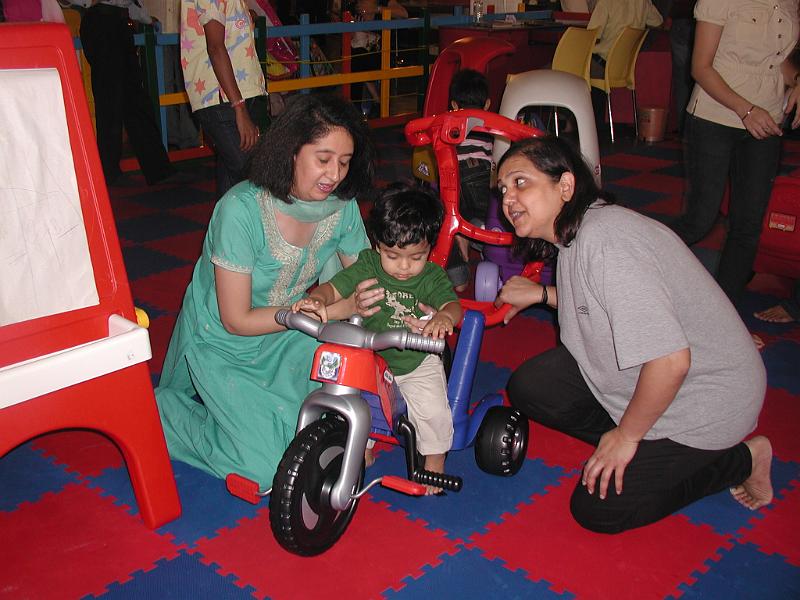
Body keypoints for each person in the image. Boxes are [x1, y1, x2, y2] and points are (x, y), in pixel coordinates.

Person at [493, 135, 772, 534]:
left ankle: (742, 459)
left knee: (599, 509)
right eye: (503, 189)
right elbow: (605, 299)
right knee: (533, 387)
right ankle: (642, 435)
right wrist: (542, 294)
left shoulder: (607, 241)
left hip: (707, 396)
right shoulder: (579, 232)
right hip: (654, 373)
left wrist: (626, 435)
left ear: (566, 185)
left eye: (520, 182)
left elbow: (671, 361)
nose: (508, 198)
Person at [155, 94, 375, 487]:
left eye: (344, 162)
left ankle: (248, 418)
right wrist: (328, 311)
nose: (335, 175)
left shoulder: (340, 206)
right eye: (323, 159)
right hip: (224, 344)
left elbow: (366, 277)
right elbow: (236, 320)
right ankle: (158, 412)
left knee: (322, 421)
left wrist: (413, 296)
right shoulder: (241, 210)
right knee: (264, 470)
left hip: (290, 332)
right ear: (292, 152)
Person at [292, 185, 462, 494]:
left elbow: (452, 306)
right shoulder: (369, 265)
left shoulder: (431, 277)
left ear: (429, 250)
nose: (404, 267)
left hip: (415, 363)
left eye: (416, 257)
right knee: (358, 399)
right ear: (377, 245)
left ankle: (435, 462)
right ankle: (362, 445)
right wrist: (318, 299)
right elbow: (336, 287)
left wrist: (444, 317)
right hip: (374, 360)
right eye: (392, 255)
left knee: (432, 410)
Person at [670, 0, 800, 302]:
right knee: (700, 220)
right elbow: (700, 67)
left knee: (748, 226)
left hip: (767, 121)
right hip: (714, 117)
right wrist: (746, 110)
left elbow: (776, 60)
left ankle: (723, 308)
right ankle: (633, 261)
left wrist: (797, 79)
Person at [76, 0, 181, 186]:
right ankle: (110, 173)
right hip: (101, 21)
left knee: (134, 98)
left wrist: (144, 17)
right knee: (111, 100)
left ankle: (157, 169)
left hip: (120, 21)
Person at [180, 0, 269, 197]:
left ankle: (226, 219)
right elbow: (215, 48)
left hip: (232, 95)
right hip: (222, 98)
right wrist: (239, 107)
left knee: (234, 182)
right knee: (252, 179)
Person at [446, 68, 494, 292]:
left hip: (454, 180)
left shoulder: (449, 123)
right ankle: (482, 236)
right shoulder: (492, 125)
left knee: (449, 216)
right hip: (482, 179)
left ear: (454, 105)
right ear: (487, 104)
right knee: (494, 214)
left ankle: (458, 274)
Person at [346, 0, 407, 117]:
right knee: (356, 57)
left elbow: (404, 14)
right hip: (359, 50)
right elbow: (349, 34)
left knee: (359, 60)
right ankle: (371, 102)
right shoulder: (354, 6)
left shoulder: (384, 2)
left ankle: (368, 104)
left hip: (381, 50)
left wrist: (376, 9)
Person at [586, 0, 663, 78]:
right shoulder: (644, 2)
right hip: (626, 69)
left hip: (601, 66)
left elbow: (591, 38)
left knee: (578, 60)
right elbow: (658, 23)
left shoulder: (605, 2)